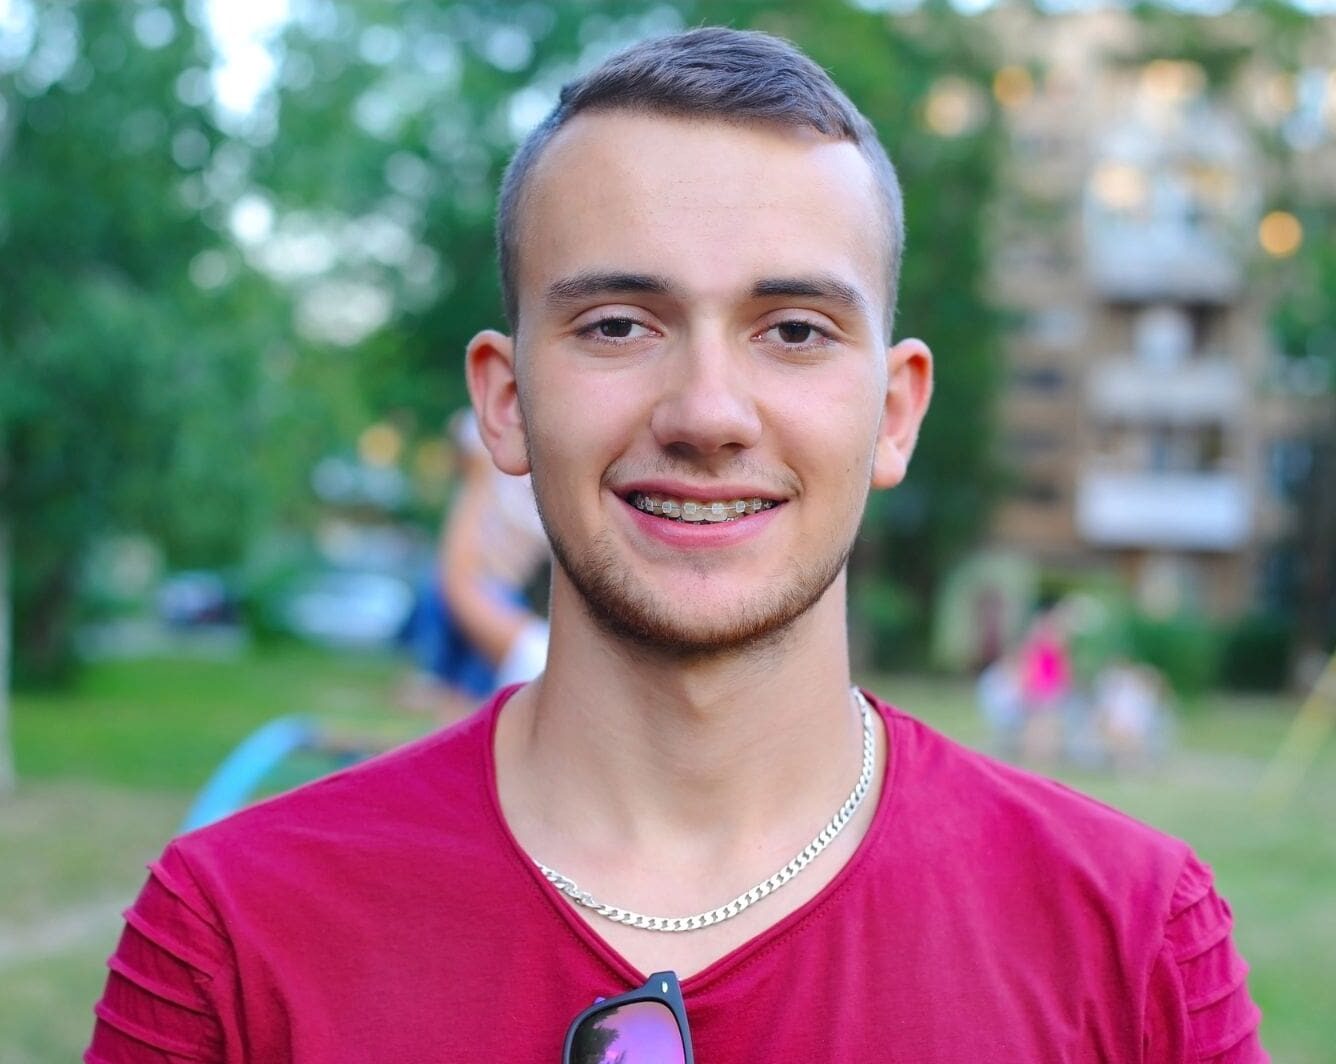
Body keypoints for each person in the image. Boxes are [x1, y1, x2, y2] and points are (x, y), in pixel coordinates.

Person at [87, 28, 1266, 1062]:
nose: (707, 411)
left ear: (895, 411)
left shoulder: (1132, 934)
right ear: (504, 401)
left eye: (793, 329)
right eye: (616, 324)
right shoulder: (234, 930)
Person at [401, 409, 550, 720]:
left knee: (452, 603)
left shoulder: (540, 498)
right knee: (435, 600)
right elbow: (462, 427)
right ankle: (442, 680)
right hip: (479, 577)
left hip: (496, 584)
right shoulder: (495, 439)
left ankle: (458, 692)